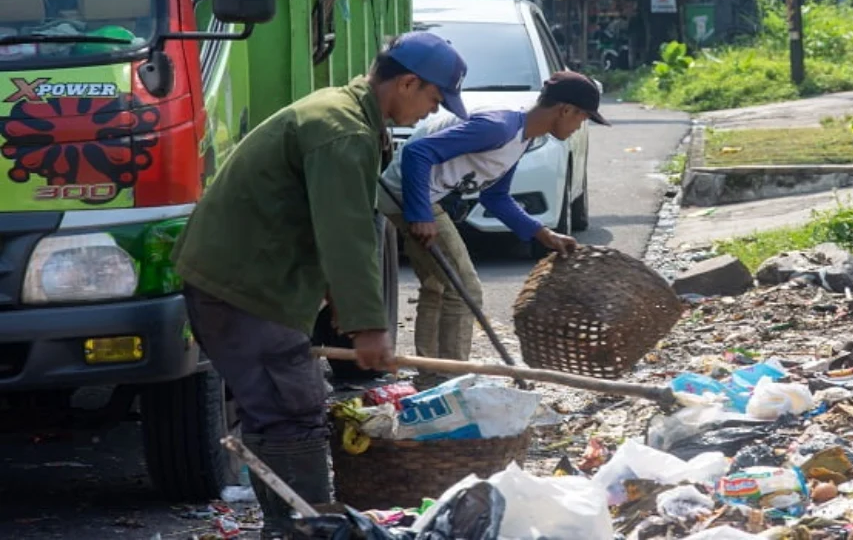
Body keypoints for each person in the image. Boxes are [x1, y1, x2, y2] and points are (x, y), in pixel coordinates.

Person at [170, 31, 468, 536]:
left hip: (242, 278)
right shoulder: (344, 131)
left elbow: (324, 221)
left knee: (280, 409)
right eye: (433, 100)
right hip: (245, 285)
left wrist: (337, 293)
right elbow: (347, 232)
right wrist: (369, 327)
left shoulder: (345, 114)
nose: (429, 113)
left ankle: (289, 527)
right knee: (293, 411)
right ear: (408, 83)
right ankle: (305, 531)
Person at [378, 70, 610, 389]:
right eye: (582, 117)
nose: (579, 126)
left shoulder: (521, 137)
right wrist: (420, 214)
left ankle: (431, 375)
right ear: (565, 110)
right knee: (465, 287)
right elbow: (418, 154)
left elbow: (495, 197)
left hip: (415, 196)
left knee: (438, 284)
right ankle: (451, 380)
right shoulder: (499, 127)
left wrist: (542, 233)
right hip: (406, 194)